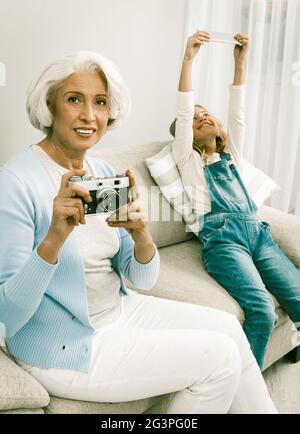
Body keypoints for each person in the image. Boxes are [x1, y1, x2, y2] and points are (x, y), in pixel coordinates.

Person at [0, 51, 277, 414]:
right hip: (60, 345)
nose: (89, 115)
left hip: (120, 310)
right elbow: (7, 314)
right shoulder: (15, 182)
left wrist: (141, 233)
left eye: (100, 102)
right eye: (74, 100)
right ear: (49, 105)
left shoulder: (101, 170)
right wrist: (54, 240)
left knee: (227, 326)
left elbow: (140, 278)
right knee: (219, 359)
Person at [170, 31, 300, 370]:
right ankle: (246, 393)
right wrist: (189, 58)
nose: (202, 117)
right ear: (188, 137)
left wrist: (239, 64)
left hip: (258, 234)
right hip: (223, 242)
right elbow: (184, 114)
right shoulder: (188, 161)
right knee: (261, 310)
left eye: (206, 113)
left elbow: (237, 111)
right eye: (196, 120)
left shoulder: (233, 156)